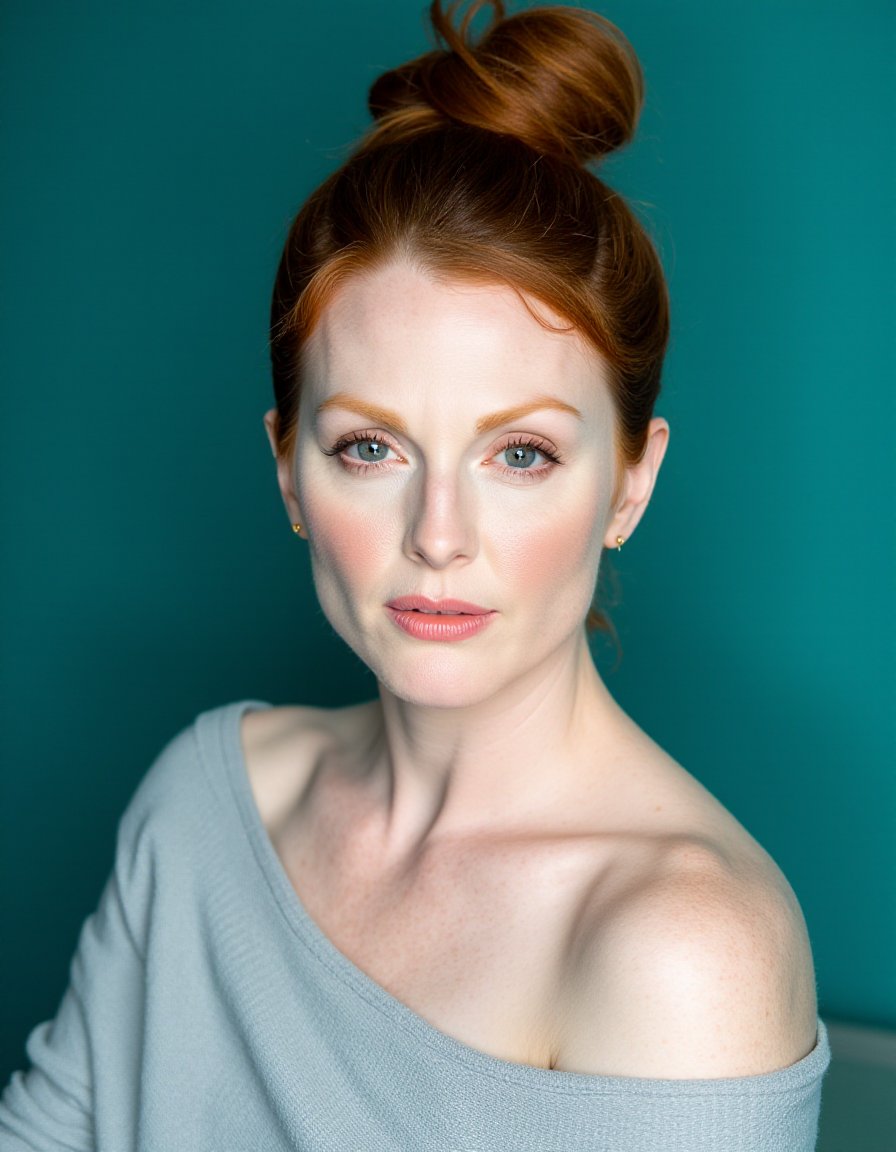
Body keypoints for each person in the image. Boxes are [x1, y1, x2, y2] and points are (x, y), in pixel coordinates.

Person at [0, 2, 831, 1148]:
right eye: (370, 448)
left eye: (520, 454)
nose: (437, 532)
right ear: (288, 472)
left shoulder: (678, 947)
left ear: (630, 486)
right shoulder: (200, 803)